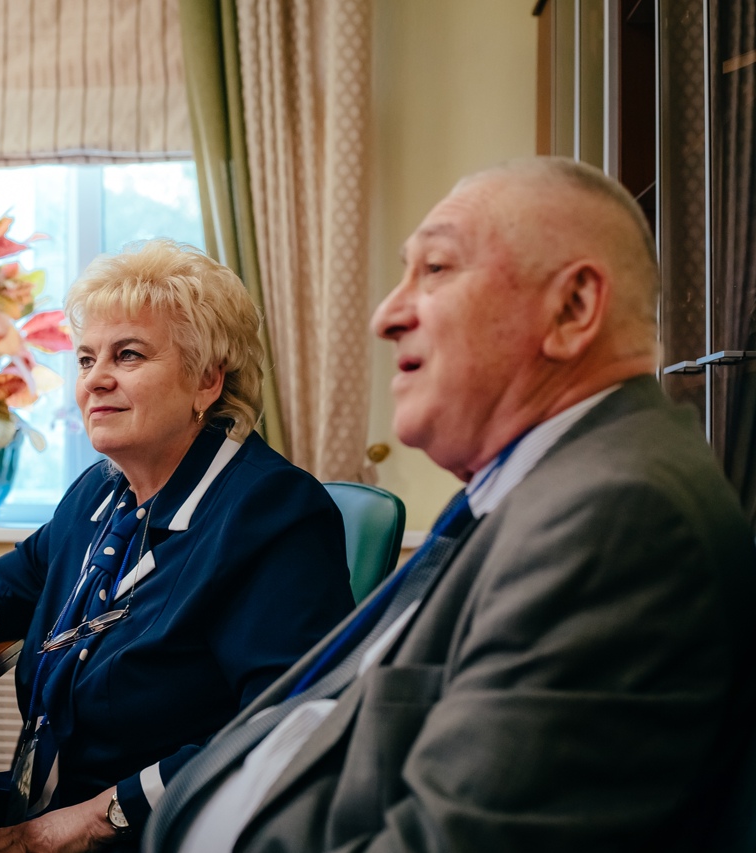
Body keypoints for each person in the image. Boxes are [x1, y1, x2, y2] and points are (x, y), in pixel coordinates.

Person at [145, 158, 756, 852]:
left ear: (572, 309)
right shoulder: (539, 490)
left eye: (435, 268)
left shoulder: (620, 517)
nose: (385, 315)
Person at [0, 239, 354, 853]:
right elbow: (24, 573)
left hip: (155, 825)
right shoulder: (102, 491)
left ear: (207, 380)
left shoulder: (271, 511)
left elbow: (284, 725)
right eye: (86, 360)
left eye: (128, 355)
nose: (96, 380)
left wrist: (90, 821)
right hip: (46, 795)